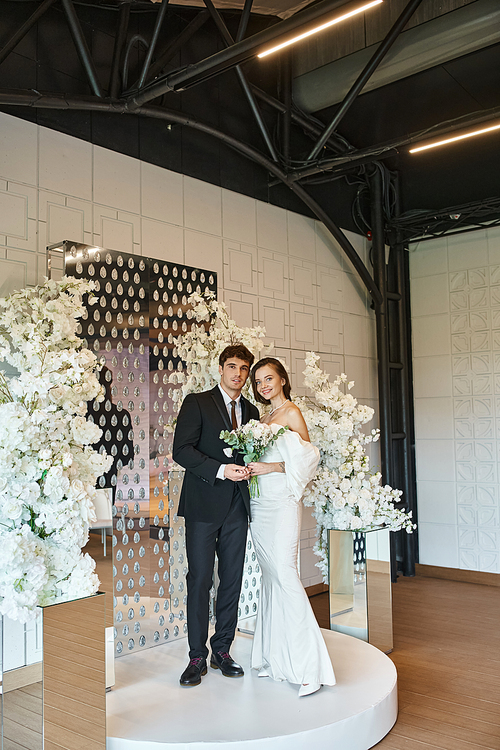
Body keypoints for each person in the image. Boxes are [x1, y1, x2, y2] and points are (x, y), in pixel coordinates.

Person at [247, 357, 336, 697]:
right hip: (259, 503)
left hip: (281, 501)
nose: (263, 385)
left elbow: (308, 458)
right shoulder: (262, 417)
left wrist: (268, 468)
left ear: (282, 379)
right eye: (258, 381)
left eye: (269, 378)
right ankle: (276, 658)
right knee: (270, 578)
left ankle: (310, 667)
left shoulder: (291, 412)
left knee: (285, 574)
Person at [172, 344, 260, 687]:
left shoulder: (251, 411)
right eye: (232, 366)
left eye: (243, 369)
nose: (238, 374)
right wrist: (221, 470)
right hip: (203, 505)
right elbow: (181, 451)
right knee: (200, 580)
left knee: (233, 580)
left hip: (238, 506)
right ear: (220, 369)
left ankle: (221, 649)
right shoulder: (197, 402)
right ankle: (196, 655)